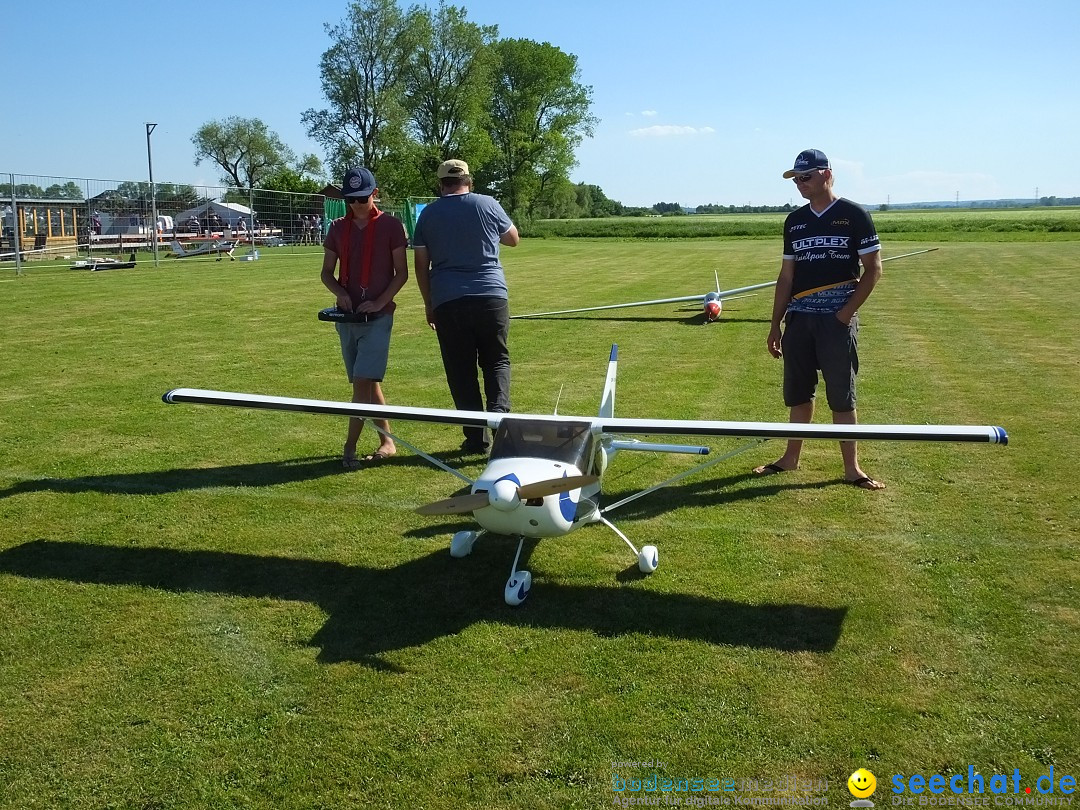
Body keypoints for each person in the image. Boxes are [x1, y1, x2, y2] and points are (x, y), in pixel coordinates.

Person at [753, 149, 886, 490]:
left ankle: (852, 469)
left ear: (827, 174)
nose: (799, 184)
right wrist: (775, 325)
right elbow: (786, 277)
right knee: (798, 394)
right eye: (796, 178)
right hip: (799, 319)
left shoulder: (854, 215)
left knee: (841, 396)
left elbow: (873, 270)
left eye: (806, 177)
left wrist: (843, 315)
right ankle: (790, 458)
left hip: (835, 322)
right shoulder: (794, 221)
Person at [412, 159, 520, 453]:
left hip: (449, 298)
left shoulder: (428, 215)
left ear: (440, 184)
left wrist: (429, 303)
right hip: (491, 295)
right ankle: (499, 418)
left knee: (461, 371)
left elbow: (421, 264)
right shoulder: (488, 203)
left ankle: (475, 438)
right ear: (468, 180)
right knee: (496, 360)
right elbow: (513, 239)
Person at [320, 166, 409, 469]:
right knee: (367, 383)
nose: (357, 204)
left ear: (375, 194)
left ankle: (349, 447)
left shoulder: (392, 226)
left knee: (361, 382)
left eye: (362, 198)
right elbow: (326, 274)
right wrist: (340, 294)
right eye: (351, 199)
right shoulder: (336, 228)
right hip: (347, 318)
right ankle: (388, 441)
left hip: (379, 316)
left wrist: (380, 301)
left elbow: (402, 274)